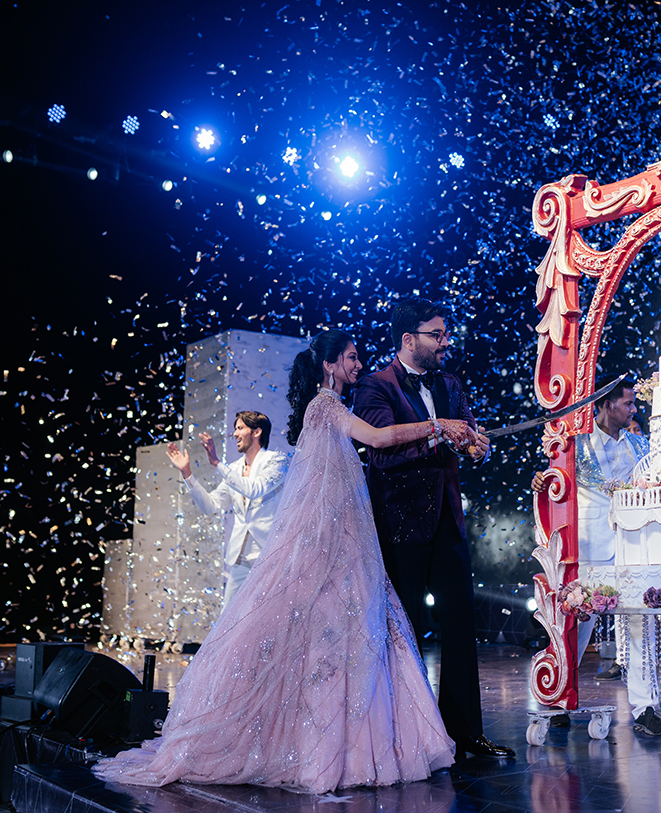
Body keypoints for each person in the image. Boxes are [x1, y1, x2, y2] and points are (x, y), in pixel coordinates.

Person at [93, 329, 474, 794]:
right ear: (330, 364)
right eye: (352, 358)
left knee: (349, 633)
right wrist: (437, 426)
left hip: (345, 542)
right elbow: (378, 437)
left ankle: (335, 738)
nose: (359, 366)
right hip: (334, 544)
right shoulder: (326, 406)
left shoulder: (326, 409)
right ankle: (325, 743)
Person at [352, 296, 514, 760]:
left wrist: (478, 447)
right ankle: (403, 736)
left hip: (448, 521)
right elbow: (382, 452)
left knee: (461, 625)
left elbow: (469, 433)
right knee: (404, 628)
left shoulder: (450, 383)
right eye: (436, 335)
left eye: (445, 334)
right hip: (400, 524)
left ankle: (465, 734)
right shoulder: (373, 387)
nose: (446, 342)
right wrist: (437, 430)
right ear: (409, 339)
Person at [531, 377, 661, 737]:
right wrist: (541, 479)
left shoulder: (639, 444)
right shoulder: (575, 445)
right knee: (576, 626)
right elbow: (554, 483)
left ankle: (645, 709)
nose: (633, 410)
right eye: (627, 404)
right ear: (605, 404)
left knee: (638, 625)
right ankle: (559, 699)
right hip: (588, 548)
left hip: (632, 547)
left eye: (632, 403)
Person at [166, 411, 290, 608]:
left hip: (270, 556)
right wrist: (187, 473)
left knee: (268, 616)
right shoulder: (234, 469)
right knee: (228, 619)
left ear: (257, 432)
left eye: (240, 428)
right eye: (235, 429)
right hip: (241, 560)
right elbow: (210, 505)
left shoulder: (277, 461)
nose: (234, 434)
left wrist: (217, 464)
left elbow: (254, 489)